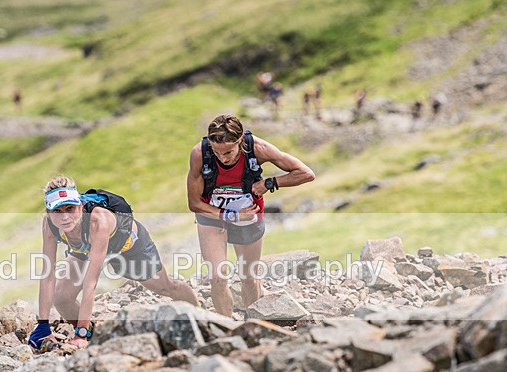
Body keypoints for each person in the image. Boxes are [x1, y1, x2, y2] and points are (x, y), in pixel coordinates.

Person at [28, 177, 199, 349]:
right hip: (85, 248)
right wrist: (43, 325)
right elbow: (47, 275)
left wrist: (80, 333)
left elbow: (90, 283)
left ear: (80, 205)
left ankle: (201, 319)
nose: (65, 217)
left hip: (128, 248)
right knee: (62, 298)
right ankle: (94, 333)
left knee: (165, 287)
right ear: (49, 212)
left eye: (70, 208)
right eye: (57, 211)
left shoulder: (98, 221)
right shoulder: (49, 224)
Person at [186, 114, 315, 317]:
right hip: (212, 215)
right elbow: (194, 204)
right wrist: (232, 216)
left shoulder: (258, 148)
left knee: (248, 277)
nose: (223, 158)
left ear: (240, 142)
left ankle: (254, 323)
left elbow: (306, 173)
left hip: (250, 214)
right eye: (217, 152)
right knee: (217, 278)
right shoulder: (200, 154)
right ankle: (226, 327)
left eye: (228, 151)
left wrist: (269, 183)